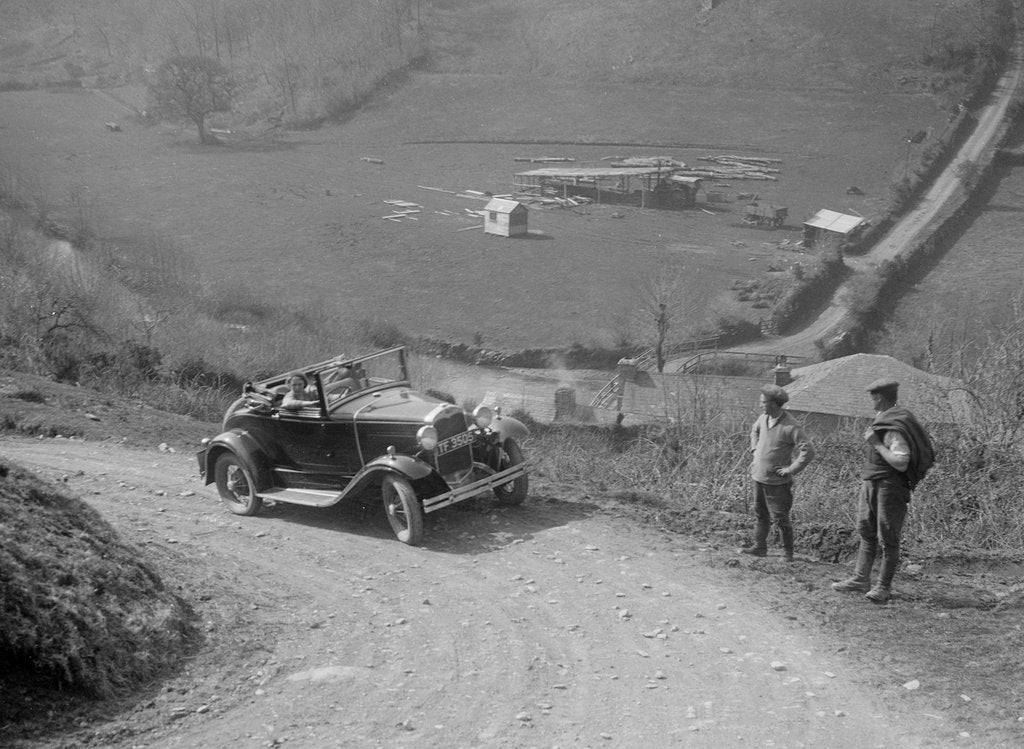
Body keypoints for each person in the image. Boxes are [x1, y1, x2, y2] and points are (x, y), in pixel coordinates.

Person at [832, 378, 933, 604]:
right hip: (872, 482)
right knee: (866, 531)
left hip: (890, 486)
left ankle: (883, 587)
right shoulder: (884, 420)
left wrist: (876, 443)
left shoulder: (894, 425)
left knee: (888, 536)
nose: (871, 400)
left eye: (873, 396)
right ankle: (860, 579)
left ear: (880, 397)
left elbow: (901, 463)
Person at [738, 384, 814, 561]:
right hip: (759, 476)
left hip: (777, 483)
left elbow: (808, 451)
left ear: (773, 404)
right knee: (760, 514)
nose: (760, 405)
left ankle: (788, 553)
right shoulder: (763, 419)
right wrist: (754, 449)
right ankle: (759, 547)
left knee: (781, 518)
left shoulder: (791, 426)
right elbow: (754, 431)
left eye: (763, 402)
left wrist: (791, 469)